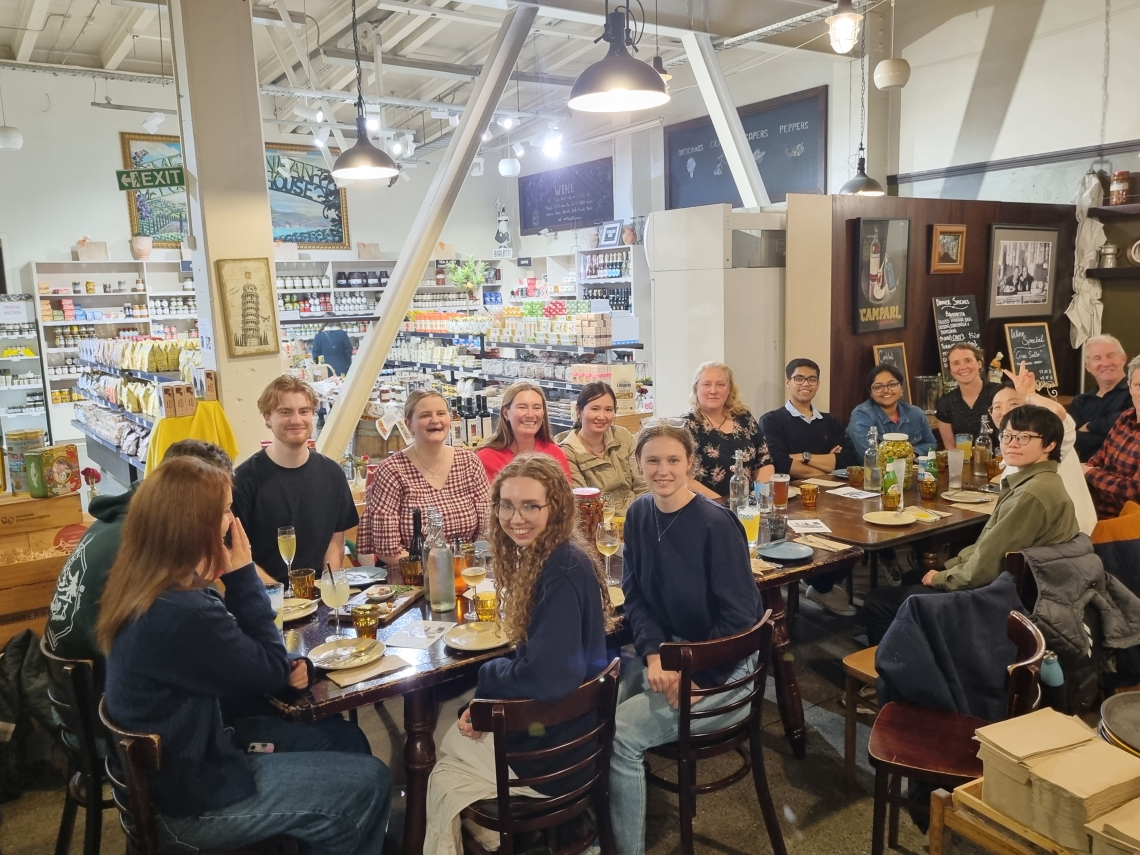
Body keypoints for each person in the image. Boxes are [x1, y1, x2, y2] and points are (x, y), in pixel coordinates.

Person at [97, 457, 391, 854]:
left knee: (345, 738)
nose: (233, 522)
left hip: (180, 770)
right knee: (369, 780)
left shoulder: (147, 588)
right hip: (193, 804)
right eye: (225, 511)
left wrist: (276, 670)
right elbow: (267, 667)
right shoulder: (184, 611)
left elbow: (236, 669)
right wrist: (242, 573)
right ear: (195, 524)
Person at [424, 454, 613, 854]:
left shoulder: (559, 569)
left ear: (555, 507)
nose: (516, 517)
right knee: (459, 715)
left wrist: (487, 682)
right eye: (506, 505)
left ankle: (497, 837)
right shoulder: (561, 554)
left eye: (530, 506)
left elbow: (549, 677)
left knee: (440, 760)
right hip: (579, 733)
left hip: (555, 757)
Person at [611, 422, 762, 855]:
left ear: (690, 464)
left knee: (620, 734)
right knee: (593, 703)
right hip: (674, 655)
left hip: (724, 671)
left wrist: (695, 674)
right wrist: (657, 655)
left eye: (673, 460)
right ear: (638, 465)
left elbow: (741, 619)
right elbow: (637, 597)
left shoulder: (716, 523)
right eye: (653, 460)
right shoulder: (639, 513)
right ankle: (593, 823)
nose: (663, 470)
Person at [863, 405, 1078, 645]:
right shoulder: (1041, 480)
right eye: (1007, 435)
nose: (1012, 443)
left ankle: (894, 676)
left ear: (1050, 444)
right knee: (914, 575)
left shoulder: (1031, 494)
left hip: (1005, 597)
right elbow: (987, 548)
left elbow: (986, 566)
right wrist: (948, 567)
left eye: (1024, 437)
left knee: (877, 602)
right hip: (1021, 585)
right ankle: (925, 648)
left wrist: (941, 578)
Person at [45, 440, 234, 677]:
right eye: (219, 507)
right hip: (98, 688)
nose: (227, 519)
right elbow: (208, 631)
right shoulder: (146, 540)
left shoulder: (117, 520)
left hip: (71, 680)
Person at [233, 376, 359, 583]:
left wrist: (328, 587)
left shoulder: (332, 474)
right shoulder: (243, 480)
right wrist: (280, 595)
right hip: (266, 598)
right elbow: (236, 555)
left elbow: (336, 540)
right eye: (285, 412)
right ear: (267, 417)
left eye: (304, 411)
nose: (296, 420)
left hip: (318, 594)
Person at [760, 358, 858, 616]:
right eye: (799, 378)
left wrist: (802, 457)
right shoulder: (772, 420)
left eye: (812, 379)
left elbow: (847, 461)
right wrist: (826, 463)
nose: (806, 384)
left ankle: (822, 585)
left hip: (832, 497)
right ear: (788, 382)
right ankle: (818, 584)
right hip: (790, 501)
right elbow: (780, 464)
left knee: (853, 534)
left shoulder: (830, 421)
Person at [358, 390, 491, 568]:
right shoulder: (392, 470)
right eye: (425, 415)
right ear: (409, 424)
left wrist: (466, 566)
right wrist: (438, 572)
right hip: (412, 576)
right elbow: (388, 550)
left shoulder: (469, 462)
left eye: (441, 413)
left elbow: (486, 529)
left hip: (466, 571)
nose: (435, 420)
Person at [990, 362, 1097, 535]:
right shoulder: (1013, 449)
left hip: (1069, 540)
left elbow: (1058, 413)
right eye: (997, 407)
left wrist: (1029, 394)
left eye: (1013, 404)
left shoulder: (1052, 437)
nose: (1004, 412)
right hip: (1037, 534)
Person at [683, 361, 774, 500]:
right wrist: (724, 505)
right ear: (696, 388)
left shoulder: (744, 418)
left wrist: (761, 497)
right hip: (706, 506)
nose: (713, 391)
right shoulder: (685, 425)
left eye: (720, 385)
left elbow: (764, 461)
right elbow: (683, 478)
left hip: (747, 506)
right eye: (706, 384)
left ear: (729, 389)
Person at [555, 381, 647, 512]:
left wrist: (640, 518)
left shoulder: (623, 436)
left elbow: (642, 485)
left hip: (636, 516)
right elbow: (583, 505)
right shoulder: (568, 452)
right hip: (599, 525)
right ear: (579, 411)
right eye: (595, 409)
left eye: (608, 410)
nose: (602, 416)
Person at [475, 381, 571, 482]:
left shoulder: (555, 454)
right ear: (505, 413)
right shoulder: (485, 458)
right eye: (522, 407)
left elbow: (566, 496)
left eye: (536, 407)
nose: (530, 414)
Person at [1084, 355, 1140, 519]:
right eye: (1139, 385)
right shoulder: (1125, 418)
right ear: (1129, 387)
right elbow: (1098, 459)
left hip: (1127, 527)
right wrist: (1089, 470)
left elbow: (1135, 493)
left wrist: (1089, 473)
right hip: (1095, 512)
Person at [847, 363, 936, 459]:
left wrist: (913, 453)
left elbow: (931, 444)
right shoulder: (862, 416)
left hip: (909, 470)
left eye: (892, 384)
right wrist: (902, 457)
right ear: (871, 392)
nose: (886, 390)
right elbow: (871, 456)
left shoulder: (916, 414)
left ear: (901, 388)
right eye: (878, 387)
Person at [1070, 334, 1131, 461]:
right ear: (1088, 366)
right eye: (1097, 358)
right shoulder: (1080, 401)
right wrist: (1109, 433)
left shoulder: (1135, 392)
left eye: (1111, 356)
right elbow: (1072, 439)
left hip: (1124, 472)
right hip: (1085, 473)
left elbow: (1128, 428)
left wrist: (1090, 426)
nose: (1105, 363)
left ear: (1124, 359)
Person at [935, 343, 1003, 448]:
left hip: (1003, 462)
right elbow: (950, 447)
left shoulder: (1000, 393)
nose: (962, 367)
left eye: (968, 361)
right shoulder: (945, 403)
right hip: (964, 463)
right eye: (956, 363)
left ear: (979, 364)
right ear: (951, 371)